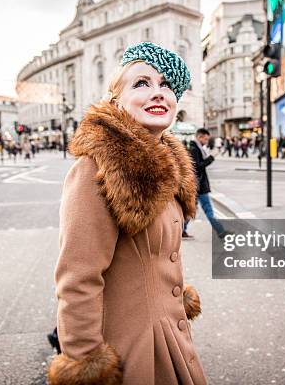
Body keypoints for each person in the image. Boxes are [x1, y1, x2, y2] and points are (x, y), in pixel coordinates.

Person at [49, 42, 206, 385]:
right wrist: (86, 364)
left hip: (171, 338)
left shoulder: (167, 166)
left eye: (167, 85)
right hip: (135, 353)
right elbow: (78, 279)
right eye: (141, 84)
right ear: (116, 100)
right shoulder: (96, 168)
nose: (158, 93)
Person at [183, 128, 229, 240]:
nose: (207, 141)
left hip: (198, 185)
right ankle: (220, 231)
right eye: (206, 139)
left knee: (192, 210)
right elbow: (197, 167)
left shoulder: (196, 148)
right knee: (207, 209)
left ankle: (181, 231)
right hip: (199, 186)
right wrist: (211, 158)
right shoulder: (194, 149)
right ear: (200, 137)